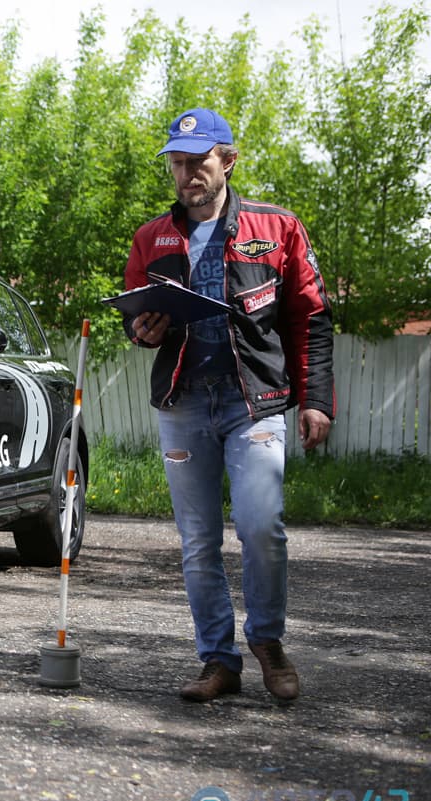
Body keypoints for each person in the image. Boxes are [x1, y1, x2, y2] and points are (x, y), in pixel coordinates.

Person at [123, 108, 335, 703]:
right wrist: (144, 331)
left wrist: (316, 400)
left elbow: (311, 317)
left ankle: (267, 643)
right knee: (198, 540)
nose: (187, 174)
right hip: (184, 402)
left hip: (255, 401)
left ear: (228, 160)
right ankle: (219, 661)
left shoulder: (278, 227)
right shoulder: (151, 238)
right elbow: (136, 324)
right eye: (177, 164)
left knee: (262, 525)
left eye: (198, 162)